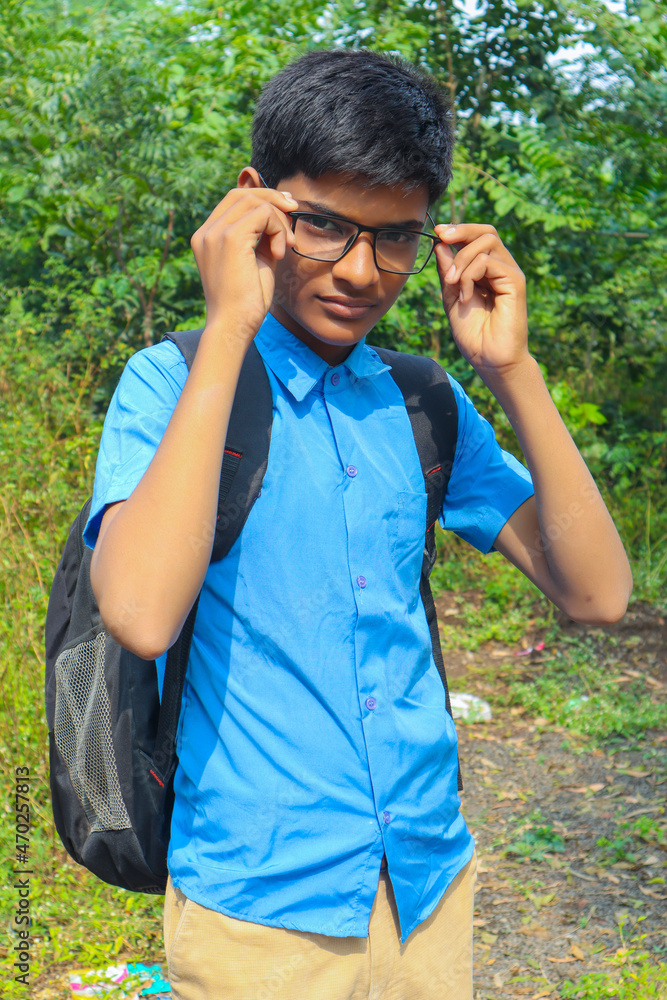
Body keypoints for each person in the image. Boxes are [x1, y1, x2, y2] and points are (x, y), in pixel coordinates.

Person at [84, 49, 632, 1000]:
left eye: (394, 239)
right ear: (254, 203)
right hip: (257, 913)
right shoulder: (171, 385)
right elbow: (138, 614)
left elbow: (598, 594)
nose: (358, 270)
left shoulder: (421, 403)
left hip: (426, 887)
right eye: (323, 226)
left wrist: (511, 369)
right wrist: (229, 327)